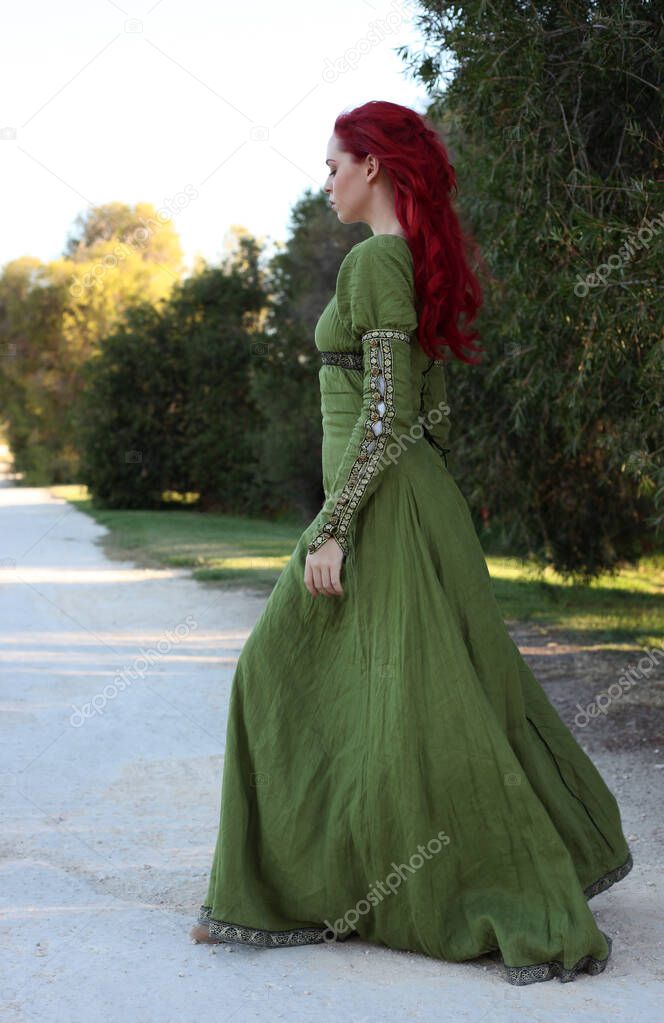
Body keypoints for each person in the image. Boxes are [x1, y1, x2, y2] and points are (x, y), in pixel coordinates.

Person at [189, 100, 633, 985]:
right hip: (406, 500)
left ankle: (297, 892)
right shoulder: (398, 260)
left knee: (288, 676)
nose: (325, 183)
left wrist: (335, 529)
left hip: (383, 508)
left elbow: (386, 412)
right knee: (410, 704)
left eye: (333, 165)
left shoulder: (374, 262)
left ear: (375, 168)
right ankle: (338, 884)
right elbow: (420, 410)